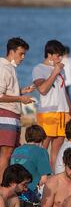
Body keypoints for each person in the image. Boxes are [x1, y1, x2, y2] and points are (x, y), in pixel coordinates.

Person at [32, 40, 71, 171]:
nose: (60, 58)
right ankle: (39, 176)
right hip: (47, 113)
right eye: (58, 55)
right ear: (49, 54)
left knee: (58, 149)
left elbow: (64, 92)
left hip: (63, 112)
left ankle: (54, 177)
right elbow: (42, 89)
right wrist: (54, 72)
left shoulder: (61, 70)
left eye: (61, 55)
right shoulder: (39, 69)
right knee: (43, 148)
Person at [0, 37, 34, 181]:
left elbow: (6, 92)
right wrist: (20, 98)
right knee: (6, 154)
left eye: (24, 54)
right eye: (21, 53)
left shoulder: (9, 67)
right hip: (6, 114)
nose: (23, 57)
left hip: (10, 114)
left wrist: (20, 92)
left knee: (9, 152)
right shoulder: (4, 67)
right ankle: (2, 186)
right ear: (12, 52)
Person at [10, 125, 51, 194]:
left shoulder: (17, 150)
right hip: (30, 191)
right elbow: (45, 179)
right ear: (41, 139)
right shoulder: (41, 151)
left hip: (14, 190)